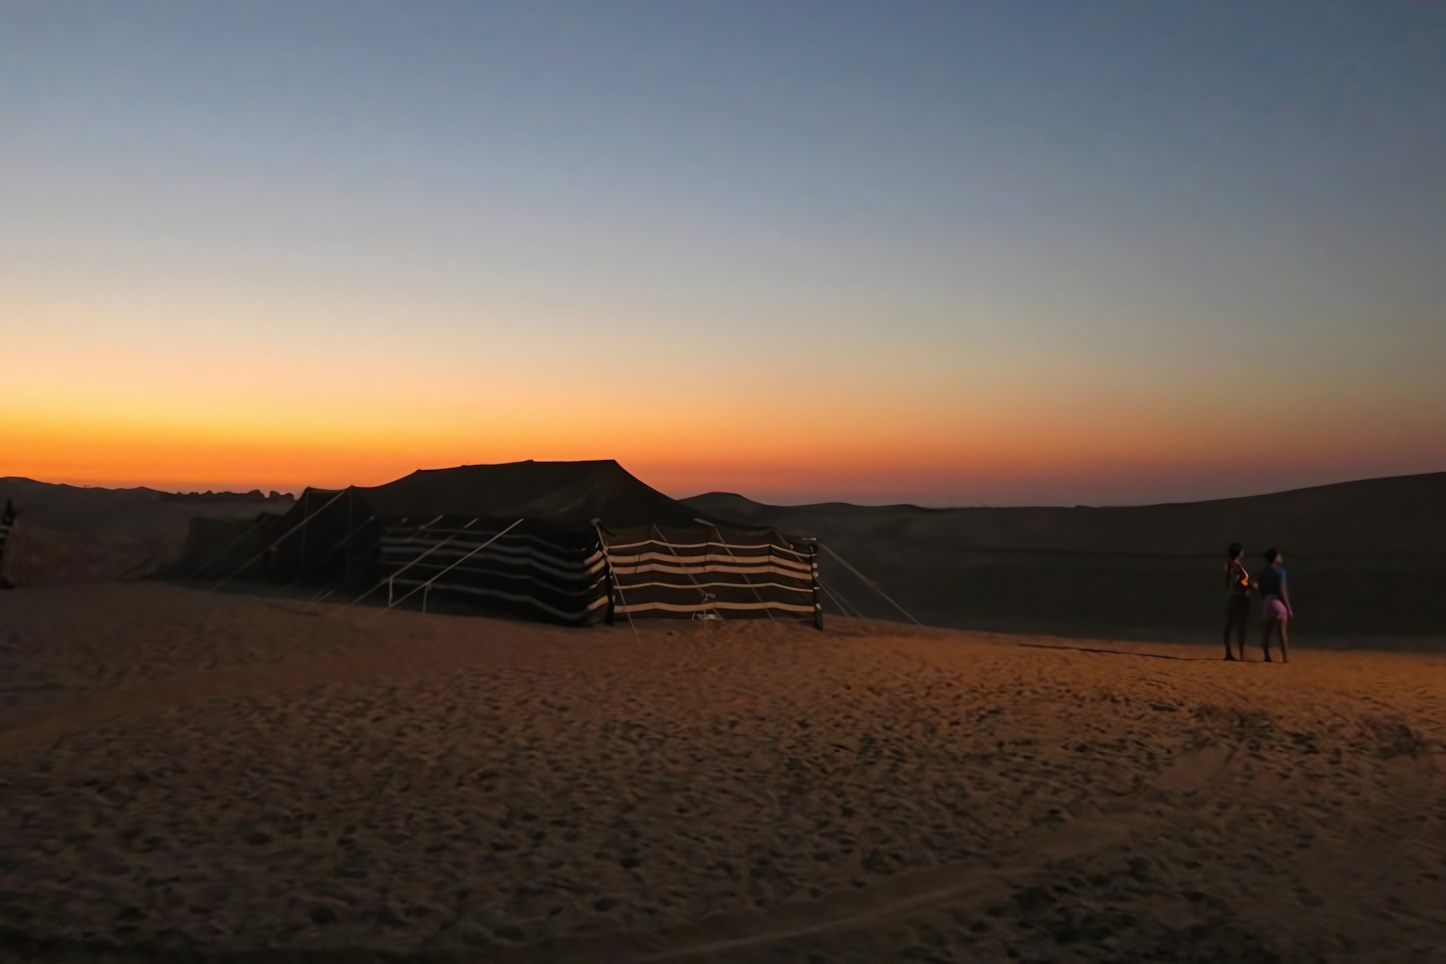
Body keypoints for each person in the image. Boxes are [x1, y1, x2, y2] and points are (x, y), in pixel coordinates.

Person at [1255, 548, 1293, 663]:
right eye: (1279, 555)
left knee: (1266, 631)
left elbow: (1261, 590)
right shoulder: (1280, 571)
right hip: (1279, 602)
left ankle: (1266, 656)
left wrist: (1266, 601)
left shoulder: (1263, 572)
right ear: (1275, 558)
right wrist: (1288, 606)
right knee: (1282, 632)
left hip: (1268, 601)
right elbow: (1283, 590)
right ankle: (1285, 658)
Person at [1222, 543, 1251, 660]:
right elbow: (1242, 579)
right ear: (1239, 553)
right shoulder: (1237, 566)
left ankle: (1228, 653)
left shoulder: (1228, 565)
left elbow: (1229, 583)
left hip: (1230, 598)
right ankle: (1241, 655)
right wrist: (1249, 585)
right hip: (1239, 599)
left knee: (1228, 626)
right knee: (1240, 627)